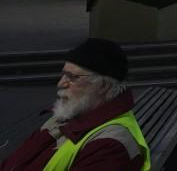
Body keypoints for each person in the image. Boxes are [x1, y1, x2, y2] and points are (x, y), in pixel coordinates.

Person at [0, 38, 150, 170]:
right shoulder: (69, 115)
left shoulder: (111, 145)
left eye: (72, 77)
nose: (61, 83)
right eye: (63, 74)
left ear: (103, 86)